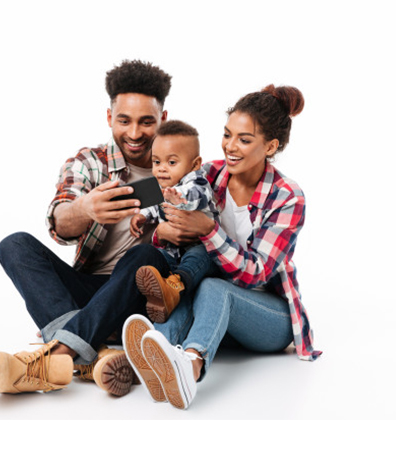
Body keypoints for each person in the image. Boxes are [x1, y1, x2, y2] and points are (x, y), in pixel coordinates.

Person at [122, 84, 322, 410]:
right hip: (213, 313)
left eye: (244, 139)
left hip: (268, 318)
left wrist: (208, 229)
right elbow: (157, 199)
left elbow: (255, 274)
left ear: (270, 146)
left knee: (212, 286)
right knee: (182, 288)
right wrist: (158, 227)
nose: (230, 146)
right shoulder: (209, 173)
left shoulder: (287, 196)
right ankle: (151, 358)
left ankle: (190, 367)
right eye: (227, 135)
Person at [0, 60, 175, 397]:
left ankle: (55, 357)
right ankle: (94, 355)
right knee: (14, 245)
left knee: (145, 255)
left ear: (163, 119)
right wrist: (85, 209)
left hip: (142, 298)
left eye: (146, 122)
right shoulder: (89, 162)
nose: (134, 133)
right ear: (109, 117)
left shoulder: (181, 166)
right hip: (88, 296)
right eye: (124, 121)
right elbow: (59, 221)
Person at [129, 120, 219, 323]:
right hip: (174, 254)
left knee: (199, 254)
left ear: (194, 164)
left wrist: (180, 198)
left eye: (171, 163)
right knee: (153, 256)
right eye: (156, 162)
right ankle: (155, 291)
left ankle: (175, 286)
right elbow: (155, 207)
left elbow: (198, 196)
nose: (162, 169)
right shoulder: (162, 186)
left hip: (203, 253)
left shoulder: (197, 182)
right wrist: (142, 216)